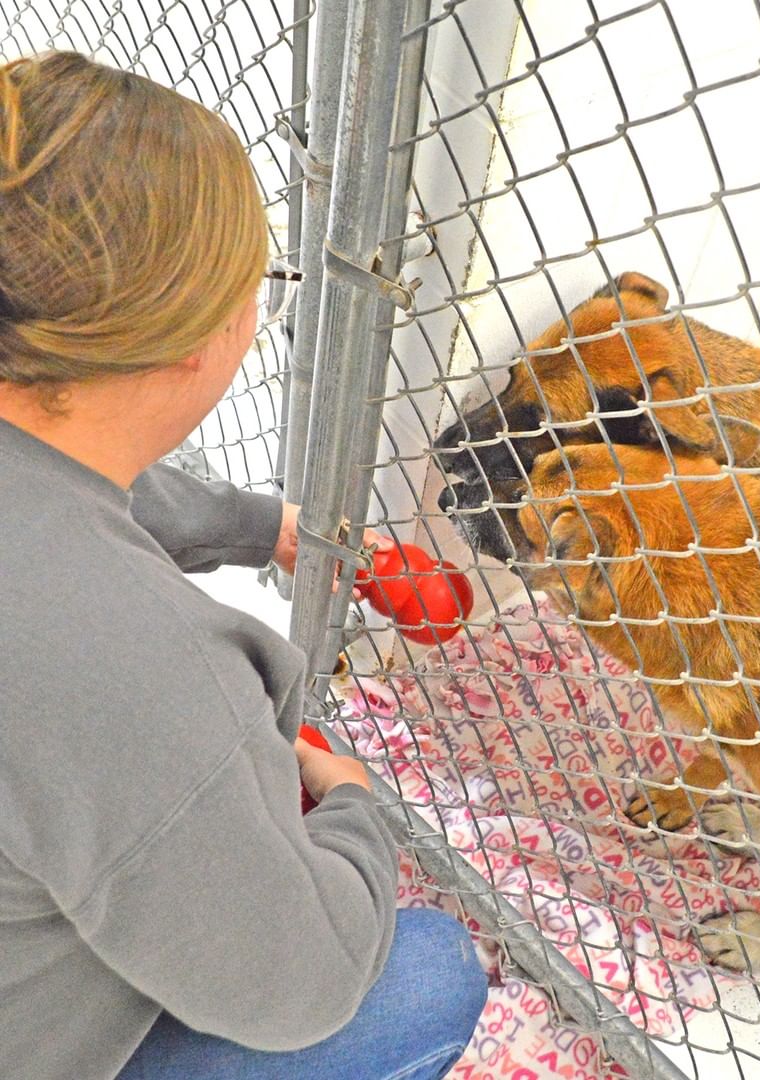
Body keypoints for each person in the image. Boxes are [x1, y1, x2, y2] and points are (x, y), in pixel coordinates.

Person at [0, 51, 487, 1080]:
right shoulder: (132, 662)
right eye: (256, 290)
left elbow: (67, 479)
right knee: (429, 973)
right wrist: (353, 801)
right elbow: (295, 990)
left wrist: (265, 525)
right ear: (197, 342)